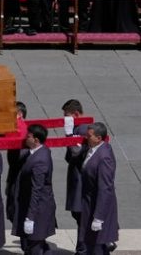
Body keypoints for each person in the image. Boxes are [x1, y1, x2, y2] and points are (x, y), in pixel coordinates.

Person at [11, 124, 57, 255]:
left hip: (38, 211)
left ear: (36, 140)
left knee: (34, 247)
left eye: (28, 136)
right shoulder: (39, 152)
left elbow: (36, 190)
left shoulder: (40, 160)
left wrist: (30, 218)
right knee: (35, 245)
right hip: (35, 207)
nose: (26, 138)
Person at [77, 123, 118, 255]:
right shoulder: (94, 148)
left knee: (97, 249)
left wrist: (99, 217)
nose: (85, 138)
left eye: (89, 136)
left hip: (97, 208)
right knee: (91, 245)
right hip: (89, 205)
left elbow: (105, 188)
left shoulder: (104, 157)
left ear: (98, 138)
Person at [61, 99, 89, 254]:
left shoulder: (82, 130)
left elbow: (75, 153)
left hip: (80, 182)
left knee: (83, 219)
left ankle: (83, 250)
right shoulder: (80, 128)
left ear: (76, 114)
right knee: (80, 218)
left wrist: (69, 135)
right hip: (77, 180)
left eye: (67, 116)